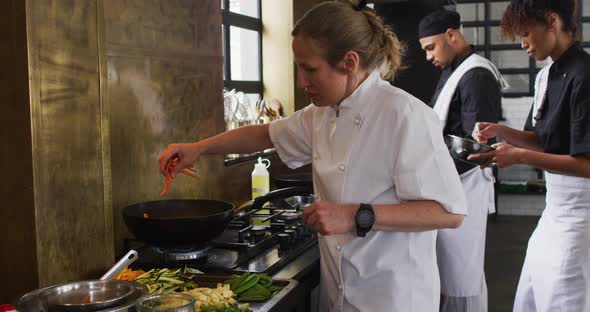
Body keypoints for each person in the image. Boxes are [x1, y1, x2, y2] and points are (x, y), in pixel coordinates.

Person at [160, 1, 467, 311]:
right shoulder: (321, 114)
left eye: (309, 69)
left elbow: (447, 213)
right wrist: (199, 148)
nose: (300, 82)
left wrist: (352, 215)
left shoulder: (405, 115)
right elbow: (265, 134)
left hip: (394, 297)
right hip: (340, 293)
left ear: (349, 62)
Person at [469, 1, 590, 311]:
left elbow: (587, 165)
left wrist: (520, 157)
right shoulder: (546, 75)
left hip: (582, 214)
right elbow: (543, 141)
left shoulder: (584, 76)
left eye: (525, 33)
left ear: (552, 22)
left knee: (564, 294)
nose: (522, 44)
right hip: (553, 211)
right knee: (532, 293)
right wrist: (502, 131)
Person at [418, 9, 508, 312]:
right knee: (448, 270)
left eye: (431, 47)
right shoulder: (452, 70)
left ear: (452, 35)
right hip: (449, 182)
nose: (428, 57)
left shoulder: (477, 74)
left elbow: (477, 147)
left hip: (465, 184)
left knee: (461, 273)